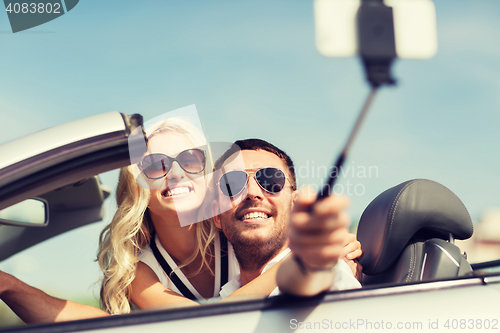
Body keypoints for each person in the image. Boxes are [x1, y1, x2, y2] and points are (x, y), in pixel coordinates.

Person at [210, 139, 362, 299]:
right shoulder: (220, 299)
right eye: (232, 184)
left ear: (294, 205)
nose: (251, 192)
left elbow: (312, 280)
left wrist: (310, 263)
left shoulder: (332, 270)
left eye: (271, 180)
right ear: (217, 215)